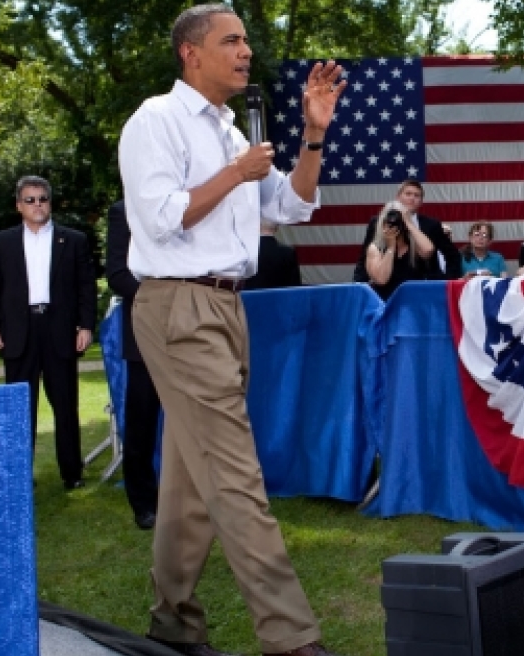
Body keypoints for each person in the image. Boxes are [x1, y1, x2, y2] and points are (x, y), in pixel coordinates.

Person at [117, 4, 346, 655]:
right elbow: (162, 219)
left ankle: (172, 623)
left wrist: (312, 134)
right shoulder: (154, 122)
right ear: (191, 53)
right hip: (176, 307)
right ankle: (292, 637)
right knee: (236, 474)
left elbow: (290, 204)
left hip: (226, 308)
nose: (246, 50)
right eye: (231, 40)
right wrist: (236, 174)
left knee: (193, 478)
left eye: (246, 40)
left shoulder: (231, 131)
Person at [0, 175, 95, 490]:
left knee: (66, 404)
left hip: (59, 329)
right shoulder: (1, 242)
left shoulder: (73, 240)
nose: (37, 205)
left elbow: (86, 287)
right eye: (30, 200)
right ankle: (17, 475)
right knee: (18, 406)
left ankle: (72, 473)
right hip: (19, 331)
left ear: (50, 203)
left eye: (42, 199)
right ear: (19, 206)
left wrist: (86, 326)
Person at [104, 200, 160, 530]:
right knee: (142, 419)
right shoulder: (123, 210)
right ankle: (144, 504)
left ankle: (196, 497)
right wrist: (160, 298)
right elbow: (117, 273)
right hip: (143, 329)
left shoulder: (189, 201)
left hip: (188, 325)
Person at [352, 179, 459, 282]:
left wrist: (447, 281)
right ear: (398, 197)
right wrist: (359, 283)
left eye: (417, 195)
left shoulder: (432, 224)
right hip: (388, 279)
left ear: (421, 201)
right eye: (408, 194)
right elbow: (365, 255)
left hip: (424, 283)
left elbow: (452, 255)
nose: (412, 198)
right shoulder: (379, 222)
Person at [365, 201, 437, 298]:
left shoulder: (415, 246)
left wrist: (408, 222)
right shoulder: (375, 248)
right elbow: (381, 279)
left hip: (412, 302)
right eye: (390, 218)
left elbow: (428, 251)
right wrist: (391, 247)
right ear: (383, 222)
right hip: (386, 304)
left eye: (399, 219)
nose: (395, 222)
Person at [245, 221, 302, 290]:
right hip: (280, 299)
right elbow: (295, 285)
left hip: (249, 299)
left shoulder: (246, 251)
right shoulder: (288, 252)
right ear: (276, 228)